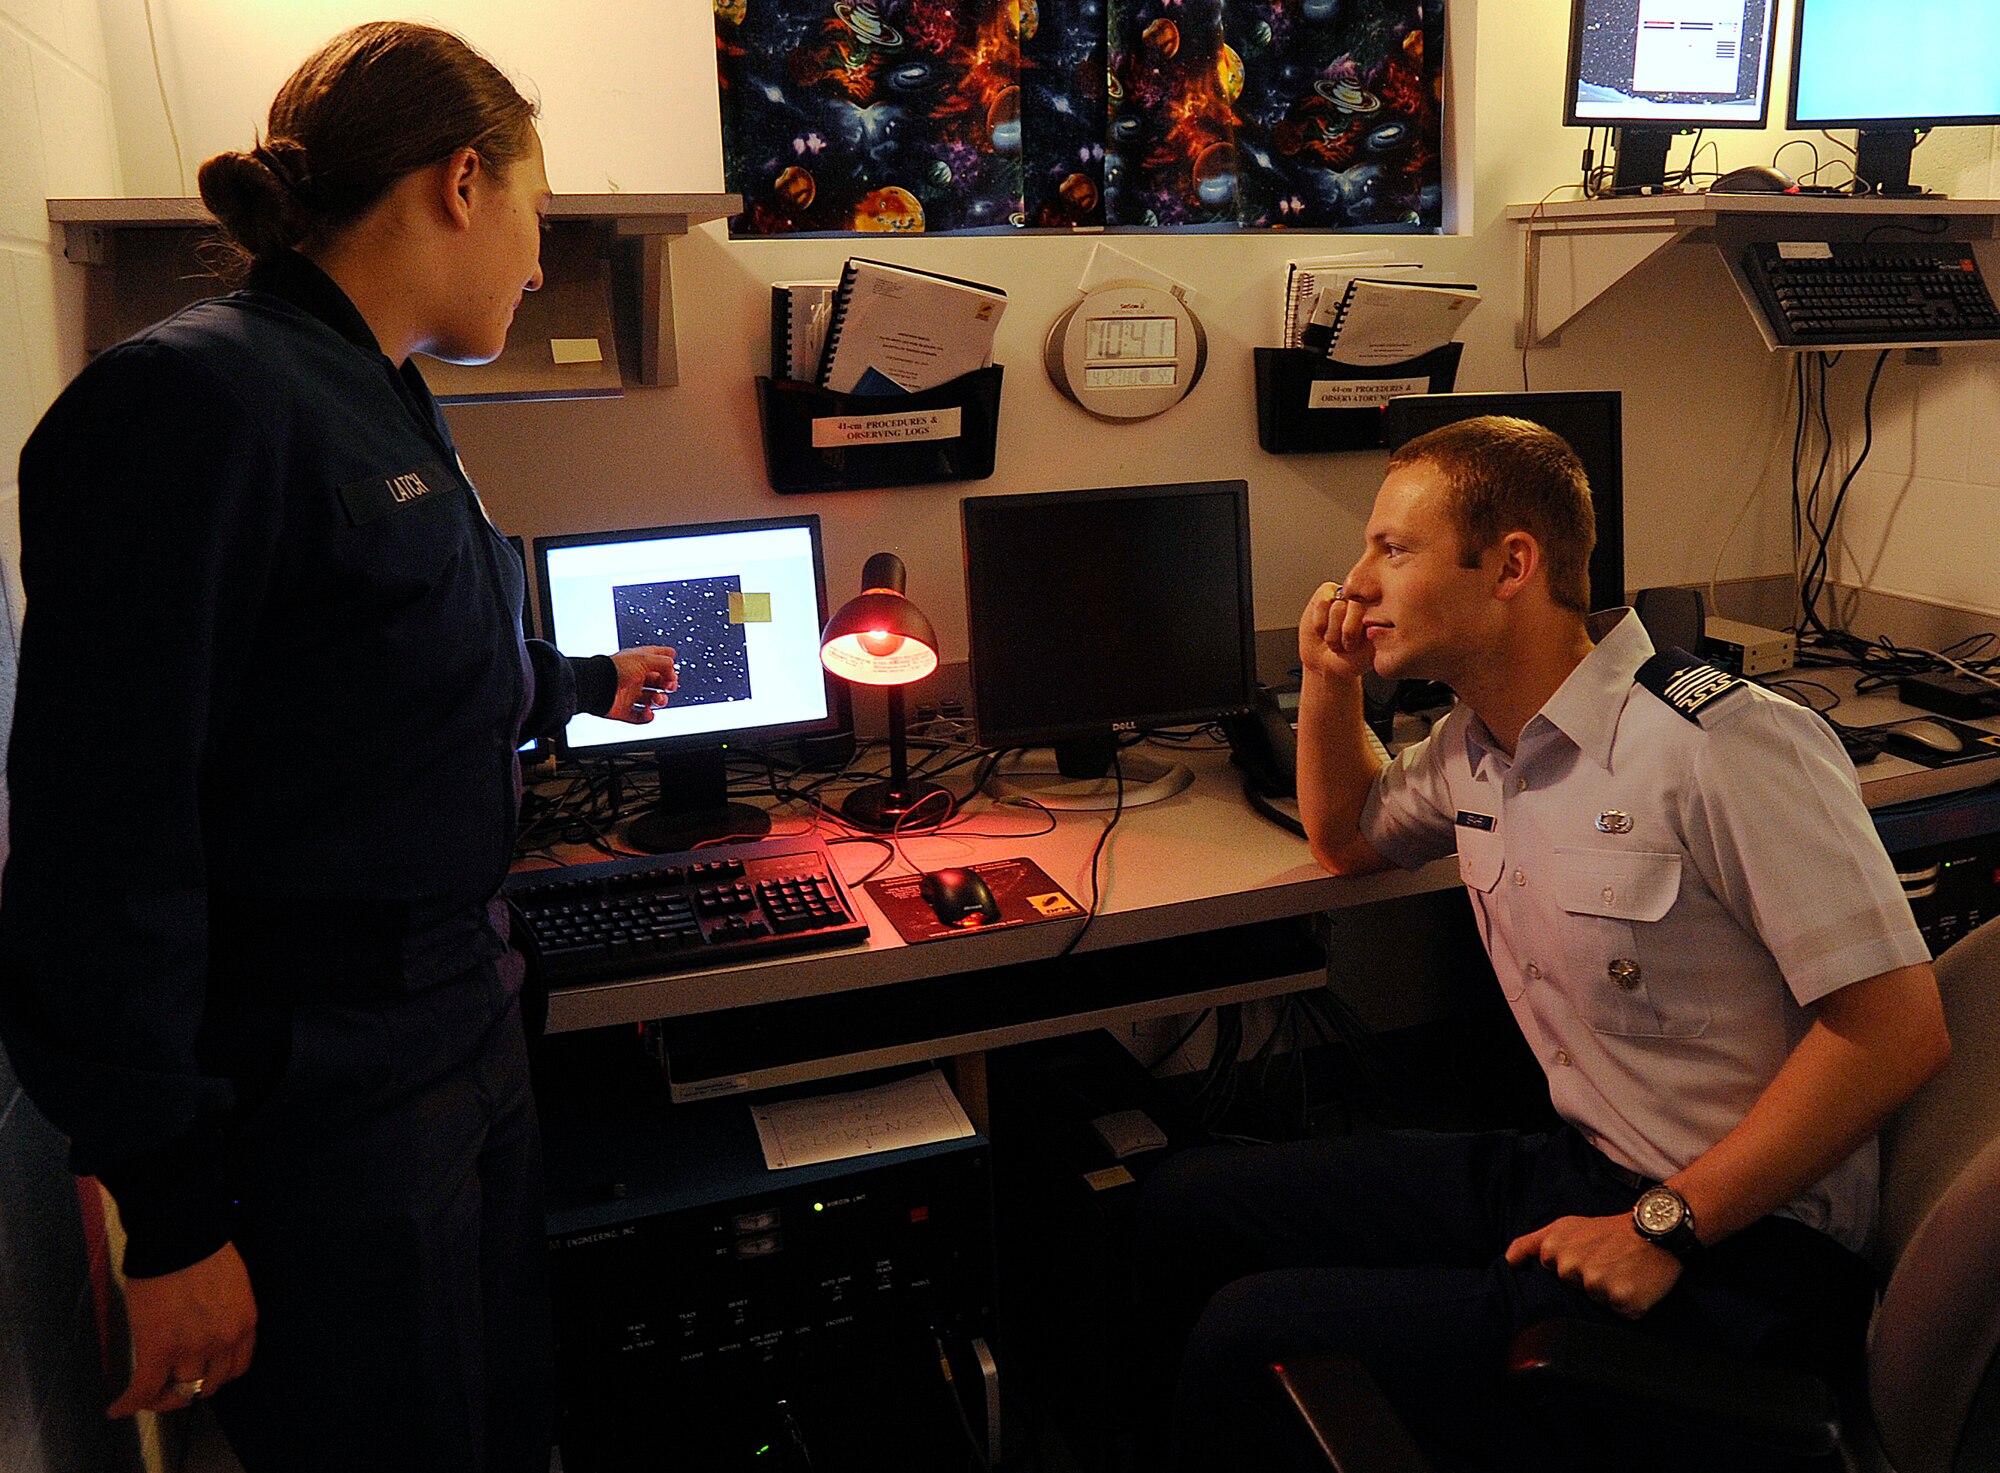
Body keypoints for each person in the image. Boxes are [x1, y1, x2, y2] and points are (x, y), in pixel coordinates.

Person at [0, 22, 678, 1472]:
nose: (541, 260)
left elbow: (368, 672)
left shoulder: (379, 391)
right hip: (328, 1104)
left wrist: (572, 680)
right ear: (459, 185)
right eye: (537, 216)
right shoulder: (194, 403)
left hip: (463, 1039)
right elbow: (98, 841)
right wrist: (172, 1216)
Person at [1134, 416, 1952, 1471]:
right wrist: (1332, 680)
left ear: (1511, 564)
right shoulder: (1480, 746)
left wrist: (1663, 1223)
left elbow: (1896, 1031)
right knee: (1183, 1204)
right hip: (1585, 1164)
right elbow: (1346, 839)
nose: (1352, 583)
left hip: (1743, 1243)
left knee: (1248, 1333)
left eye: (1391, 549)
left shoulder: (1721, 746)